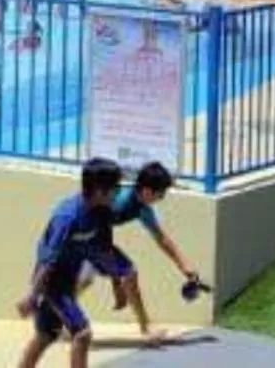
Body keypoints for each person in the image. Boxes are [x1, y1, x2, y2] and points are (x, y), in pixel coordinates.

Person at [78, 162, 207, 345]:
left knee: (87, 278)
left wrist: (184, 265)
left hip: (96, 239)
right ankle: (146, 328)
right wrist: (116, 282)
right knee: (127, 273)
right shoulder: (119, 199)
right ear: (148, 192)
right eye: (161, 194)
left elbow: (162, 239)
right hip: (82, 235)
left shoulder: (142, 208)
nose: (162, 198)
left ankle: (53, 309)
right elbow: (100, 228)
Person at [15, 158, 125, 368]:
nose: (118, 194)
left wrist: (117, 284)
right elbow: (48, 261)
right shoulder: (67, 216)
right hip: (50, 279)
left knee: (46, 335)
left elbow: (106, 251)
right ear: (99, 190)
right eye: (116, 189)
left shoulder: (102, 213)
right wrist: (32, 295)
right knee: (82, 333)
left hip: (69, 276)